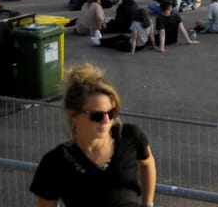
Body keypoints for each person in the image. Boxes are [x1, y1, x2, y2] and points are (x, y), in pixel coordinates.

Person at [30, 63, 156, 207]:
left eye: (111, 113)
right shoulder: (55, 162)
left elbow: (147, 163)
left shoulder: (130, 137)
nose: (106, 121)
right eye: (97, 116)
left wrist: (148, 204)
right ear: (74, 115)